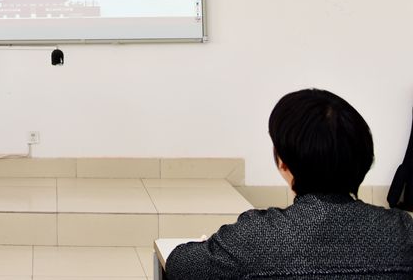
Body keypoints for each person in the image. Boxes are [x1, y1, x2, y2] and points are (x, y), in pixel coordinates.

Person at [166, 88, 413, 279]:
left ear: (283, 163)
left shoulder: (254, 237)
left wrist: (212, 248)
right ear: (364, 159)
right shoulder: (403, 231)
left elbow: (179, 265)